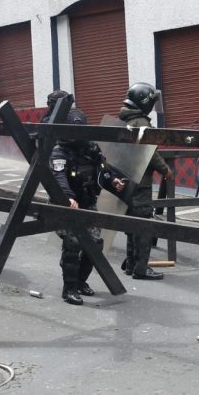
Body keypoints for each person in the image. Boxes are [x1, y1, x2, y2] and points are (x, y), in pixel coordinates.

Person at [50, 109, 128, 305]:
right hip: (66, 206)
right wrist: (67, 198)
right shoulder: (59, 152)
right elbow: (59, 177)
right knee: (73, 243)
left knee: (95, 245)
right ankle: (69, 289)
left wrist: (113, 181)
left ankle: (80, 281)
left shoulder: (91, 149)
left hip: (87, 203)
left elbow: (103, 169)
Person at [118, 82, 172, 280]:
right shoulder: (140, 122)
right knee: (143, 224)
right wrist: (166, 170)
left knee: (132, 223)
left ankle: (132, 264)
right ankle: (141, 268)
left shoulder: (125, 120)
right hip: (141, 181)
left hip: (126, 178)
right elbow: (150, 152)